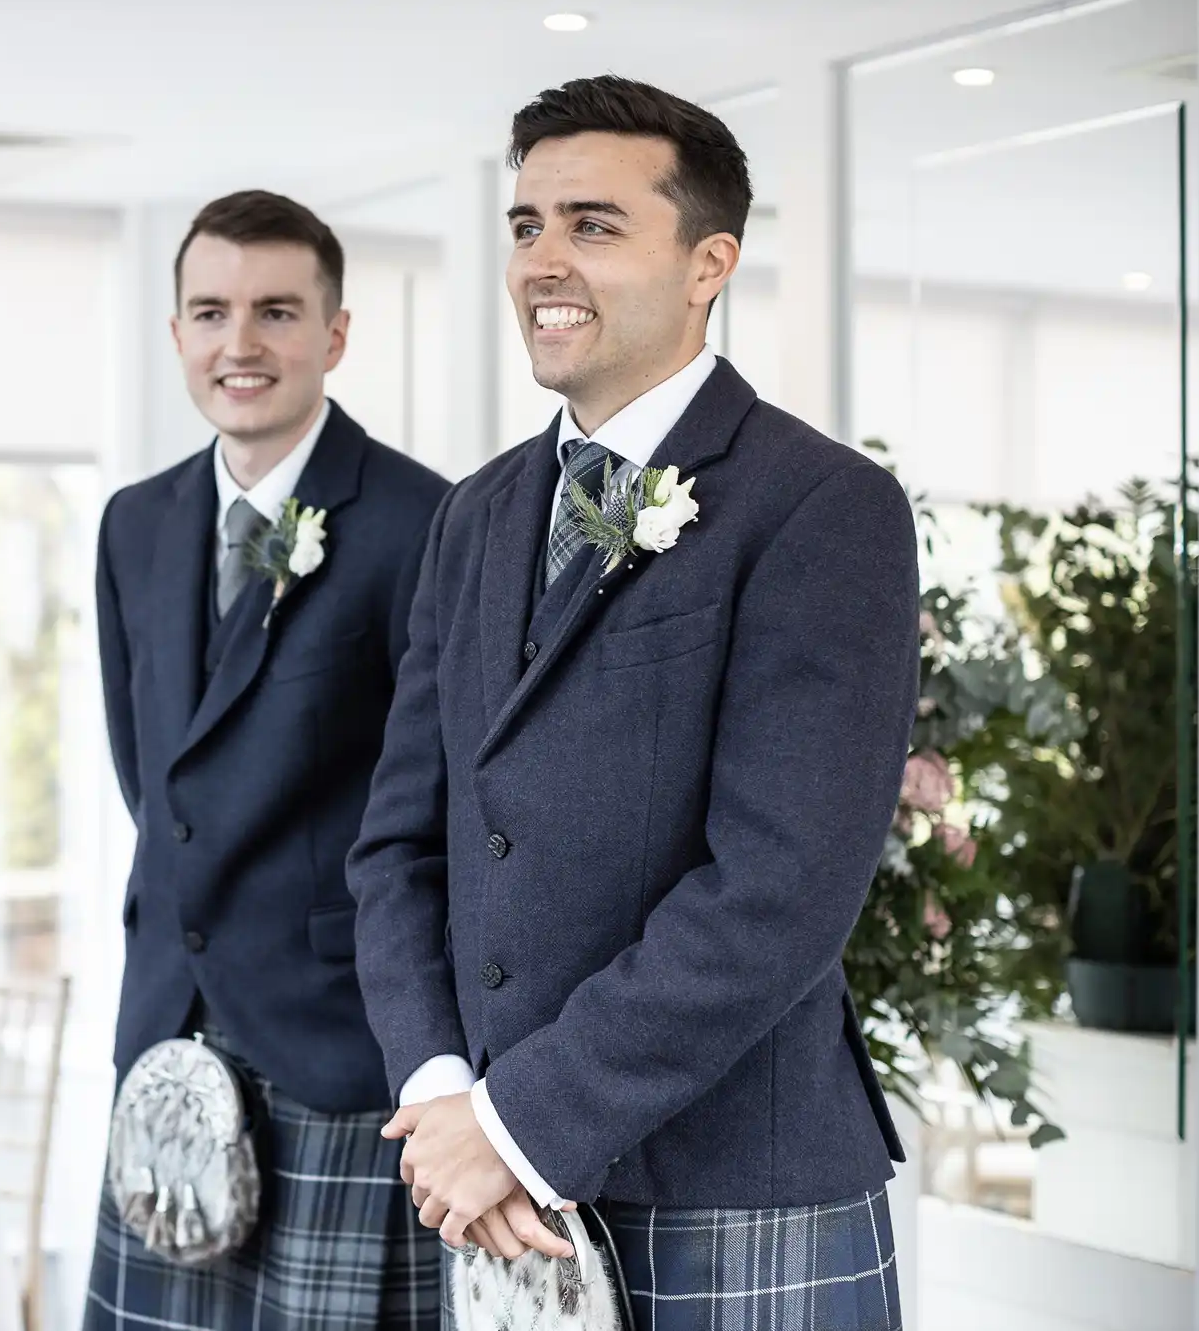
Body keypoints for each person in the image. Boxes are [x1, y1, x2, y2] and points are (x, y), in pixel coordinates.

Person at [350, 76, 918, 1331]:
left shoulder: (822, 507)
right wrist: (441, 1092)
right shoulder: (474, 514)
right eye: (525, 225)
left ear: (708, 263)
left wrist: (515, 1121)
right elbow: (398, 844)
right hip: (488, 1191)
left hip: (731, 1194)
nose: (542, 261)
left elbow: (778, 888)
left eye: (592, 225)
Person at [85, 190, 450, 1328]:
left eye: (276, 312)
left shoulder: (424, 520)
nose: (238, 343)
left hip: (340, 1042)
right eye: (211, 313)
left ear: (334, 334)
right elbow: (153, 777)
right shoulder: (132, 522)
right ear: (176, 334)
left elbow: (440, 804)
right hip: (165, 1032)